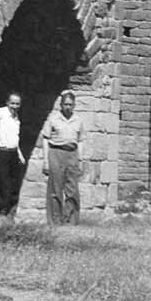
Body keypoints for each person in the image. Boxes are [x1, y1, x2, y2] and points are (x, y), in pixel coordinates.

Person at [42, 90, 83, 225]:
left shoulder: (78, 120)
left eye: (70, 104)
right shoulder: (53, 118)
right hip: (56, 153)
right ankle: (55, 221)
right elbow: (45, 139)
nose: (68, 107)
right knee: (55, 188)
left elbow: (80, 141)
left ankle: (70, 220)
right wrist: (45, 161)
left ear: (74, 105)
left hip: (72, 154)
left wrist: (80, 160)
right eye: (65, 104)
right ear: (61, 105)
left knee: (72, 189)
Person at [0, 92, 26, 216]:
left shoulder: (16, 117)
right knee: (4, 183)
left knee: (13, 184)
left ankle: (7, 210)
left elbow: (14, 138)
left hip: (13, 154)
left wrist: (20, 155)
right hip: (1, 152)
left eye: (17, 104)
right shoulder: (2, 113)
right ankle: (2, 211)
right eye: (12, 103)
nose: (14, 106)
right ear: (7, 102)